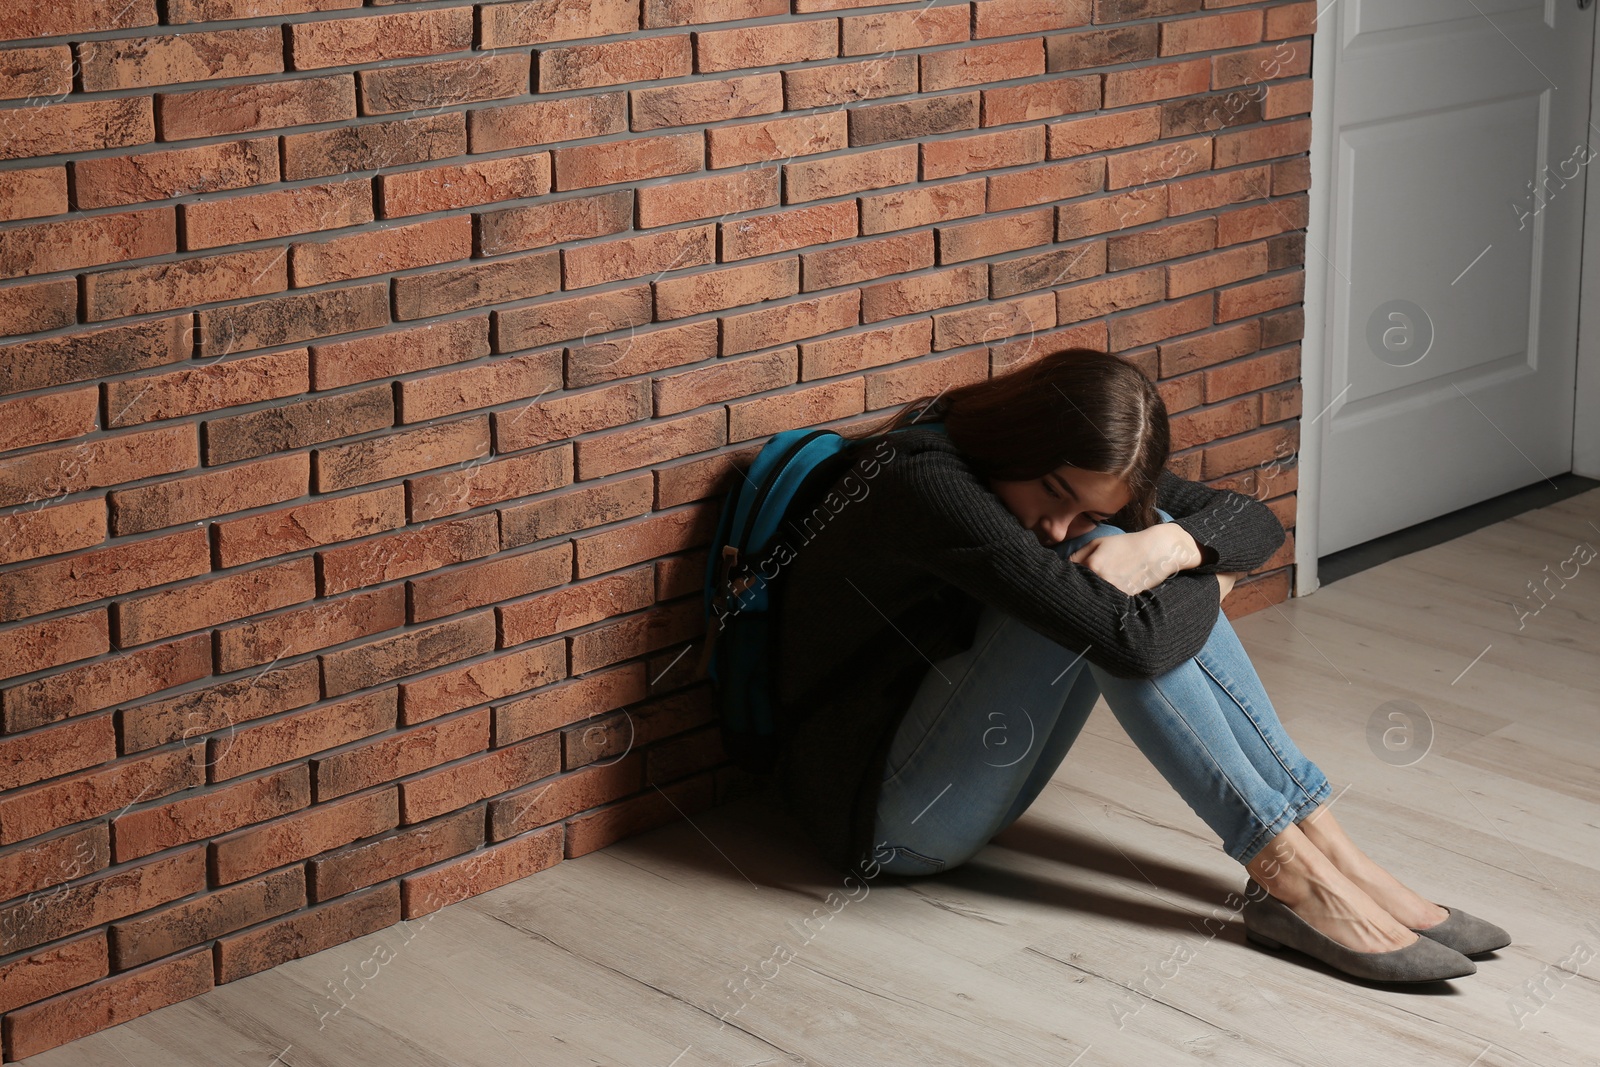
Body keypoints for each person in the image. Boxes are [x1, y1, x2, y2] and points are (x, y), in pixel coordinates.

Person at [769, 347, 1508, 983]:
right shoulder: (922, 481)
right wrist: (1211, 579)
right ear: (1024, 436)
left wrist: (1175, 549)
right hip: (892, 821)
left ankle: (1335, 850)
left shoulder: (1069, 486)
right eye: (1054, 490)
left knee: (1147, 545)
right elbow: (1137, 643)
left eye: (1086, 507)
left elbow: (1254, 519)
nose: (1059, 519)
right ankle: (1291, 876)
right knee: (1098, 580)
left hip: (971, 775)